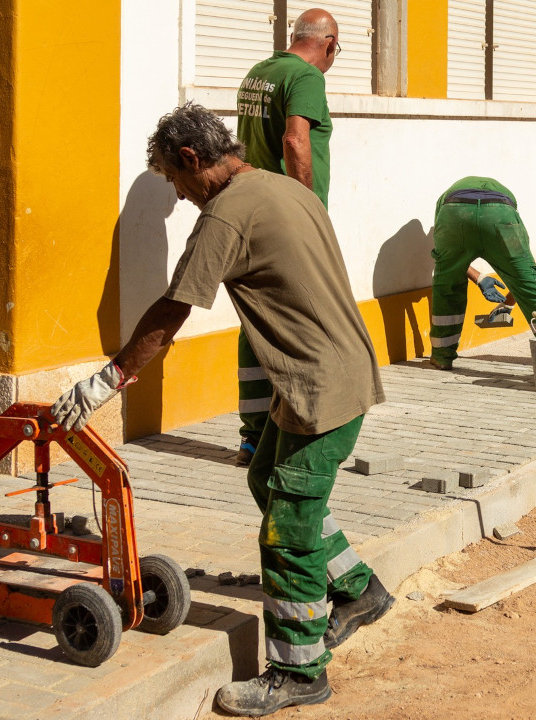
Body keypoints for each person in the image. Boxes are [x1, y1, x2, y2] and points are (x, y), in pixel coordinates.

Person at [51, 103, 394, 717]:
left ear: (191, 160)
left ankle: (298, 673)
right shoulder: (281, 187)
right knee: (268, 479)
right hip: (333, 373)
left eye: (175, 183)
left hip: (322, 388)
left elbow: (171, 311)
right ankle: (358, 590)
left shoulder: (225, 216)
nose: (180, 198)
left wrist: (107, 381)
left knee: (287, 528)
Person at [233, 8, 342, 466]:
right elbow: (296, 141)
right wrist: (305, 209)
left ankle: (253, 435)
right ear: (329, 44)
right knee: (303, 318)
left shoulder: (259, 73)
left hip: (252, 207)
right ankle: (294, 432)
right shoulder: (306, 77)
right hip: (289, 215)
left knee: (256, 319)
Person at [429, 176, 536, 382]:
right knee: (531, 285)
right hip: (500, 212)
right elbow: (522, 279)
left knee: (447, 285)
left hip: (455, 213)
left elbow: (449, 265)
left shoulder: (443, 206)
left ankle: (441, 357)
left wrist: (480, 278)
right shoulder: (507, 202)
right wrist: (506, 298)